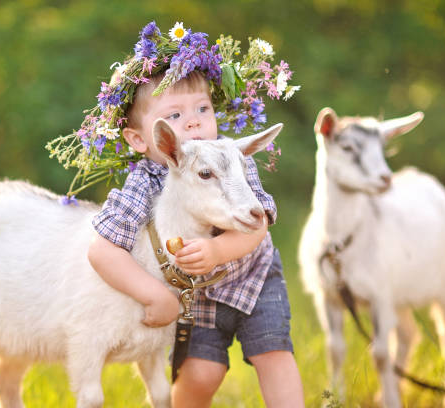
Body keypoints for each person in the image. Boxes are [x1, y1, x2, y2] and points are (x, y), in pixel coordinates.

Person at [53, 22, 304, 407]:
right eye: (174, 116)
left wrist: (219, 253)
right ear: (143, 139)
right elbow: (102, 250)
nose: (193, 122)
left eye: (203, 109)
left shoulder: (231, 156)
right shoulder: (144, 183)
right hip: (193, 293)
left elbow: (258, 221)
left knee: (274, 352)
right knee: (201, 372)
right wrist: (157, 296)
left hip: (254, 276)